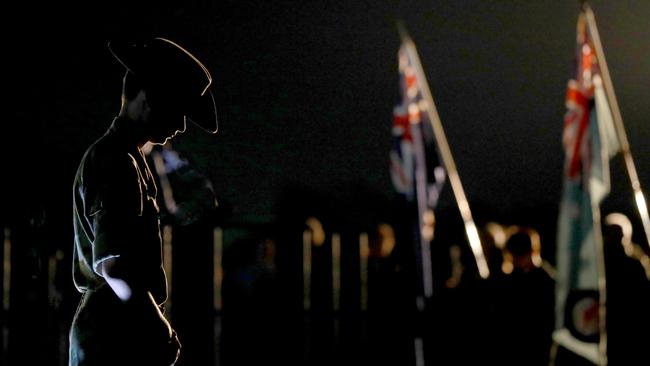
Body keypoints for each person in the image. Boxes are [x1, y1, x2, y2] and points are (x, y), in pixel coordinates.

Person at [69, 37, 218, 366]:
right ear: (150, 97)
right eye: (177, 109)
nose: (181, 126)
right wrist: (157, 327)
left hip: (115, 331)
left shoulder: (126, 160)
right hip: (113, 337)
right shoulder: (115, 162)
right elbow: (114, 266)